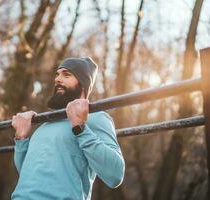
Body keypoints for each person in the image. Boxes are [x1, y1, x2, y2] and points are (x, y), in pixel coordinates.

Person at [11, 57, 125, 200]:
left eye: (66, 74)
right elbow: (28, 175)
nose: (57, 79)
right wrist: (21, 138)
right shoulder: (44, 125)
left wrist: (80, 128)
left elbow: (115, 174)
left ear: (83, 84)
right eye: (57, 74)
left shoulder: (96, 117)